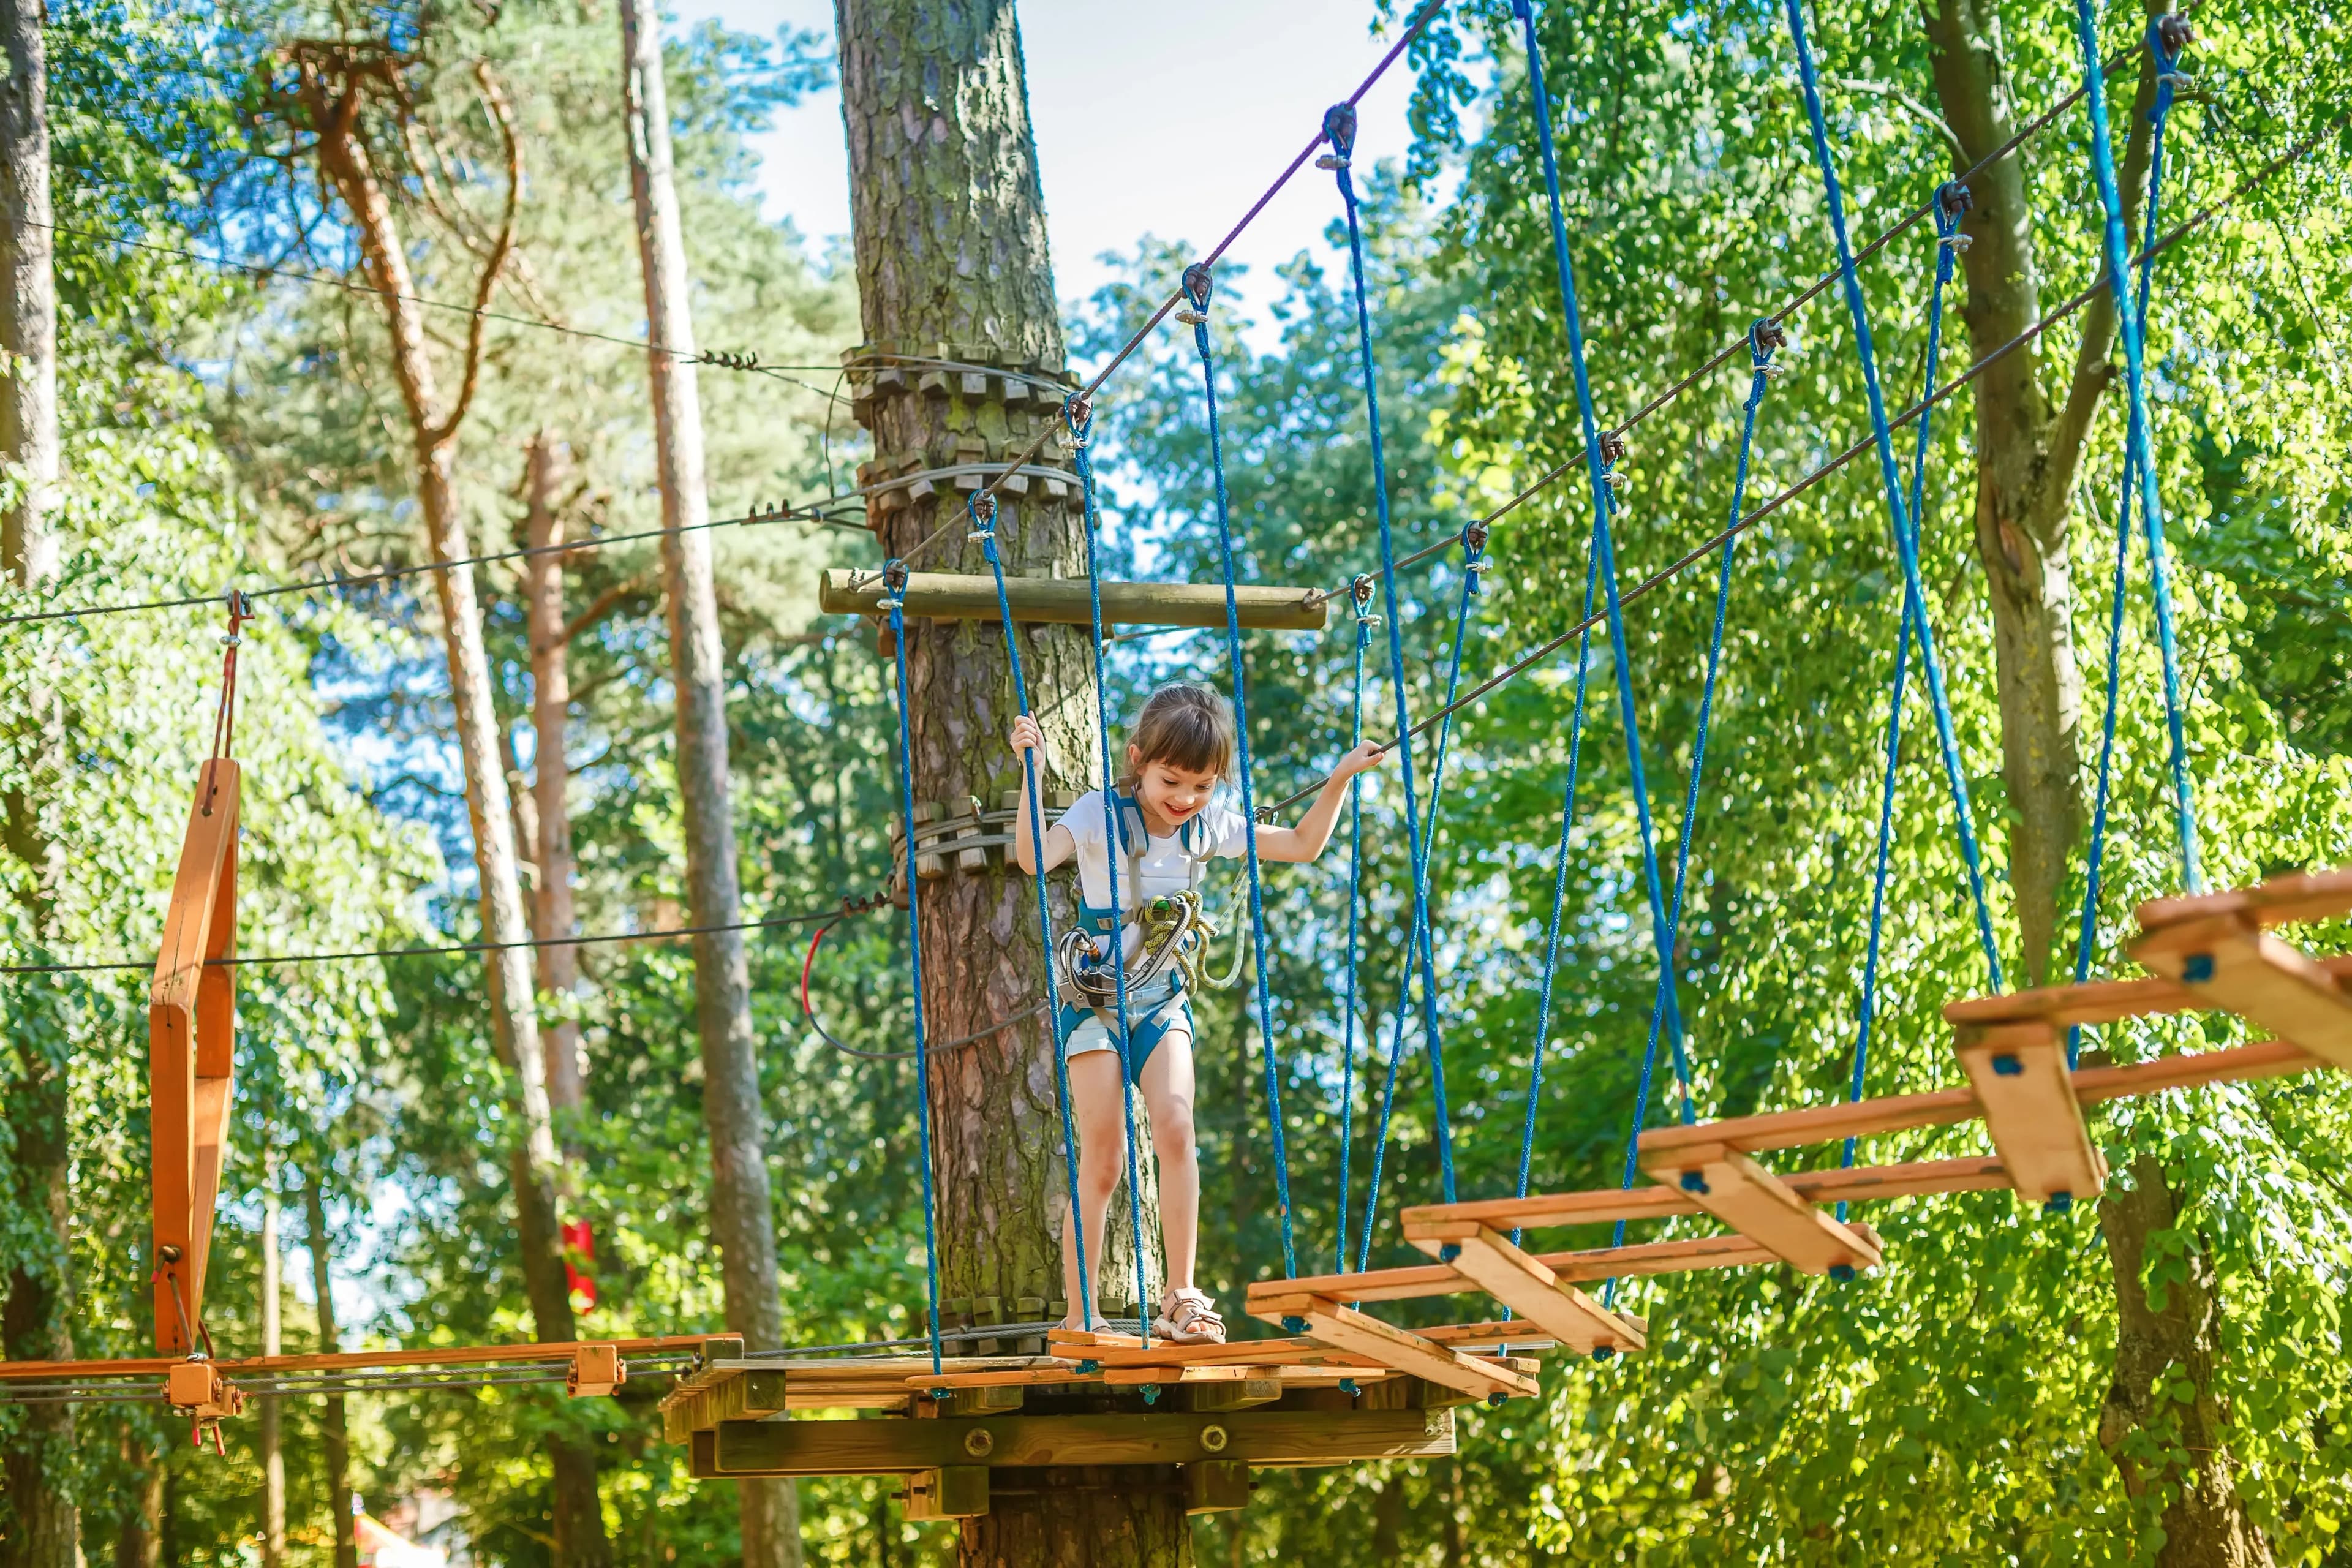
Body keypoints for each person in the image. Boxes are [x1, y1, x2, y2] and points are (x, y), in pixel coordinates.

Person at [1008, 680, 1385, 1344]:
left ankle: (1180, 1296)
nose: (1184, 799)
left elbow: (1300, 844)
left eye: (1202, 786)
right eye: (1171, 781)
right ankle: (1080, 1315)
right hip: (1095, 1003)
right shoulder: (1099, 812)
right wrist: (1031, 772)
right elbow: (1034, 858)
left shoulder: (1211, 824)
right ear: (1138, 762)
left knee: (1177, 1129)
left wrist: (1340, 778)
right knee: (1102, 1160)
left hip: (1161, 1000)